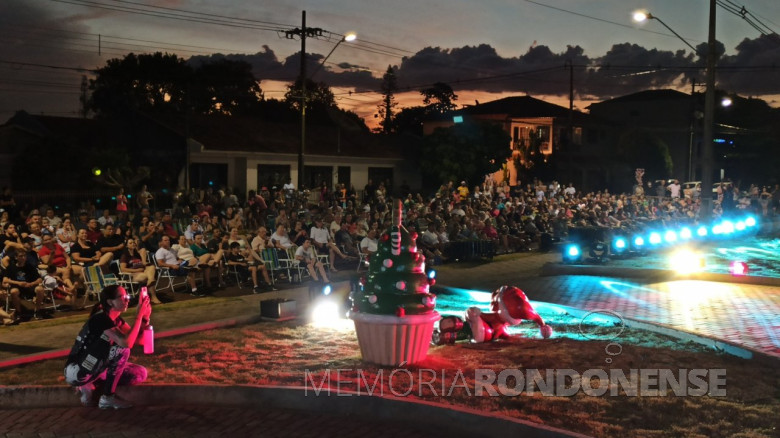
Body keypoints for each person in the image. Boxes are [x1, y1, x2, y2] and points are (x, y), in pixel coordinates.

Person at [64, 285, 150, 409]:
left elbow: (140, 341)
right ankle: (107, 398)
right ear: (110, 302)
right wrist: (138, 316)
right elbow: (126, 343)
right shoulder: (100, 318)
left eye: (127, 296)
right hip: (77, 371)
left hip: (97, 367)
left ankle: (94, 384)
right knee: (122, 350)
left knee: (139, 373)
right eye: (123, 297)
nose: (127, 300)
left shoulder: (116, 320)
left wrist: (145, 318)